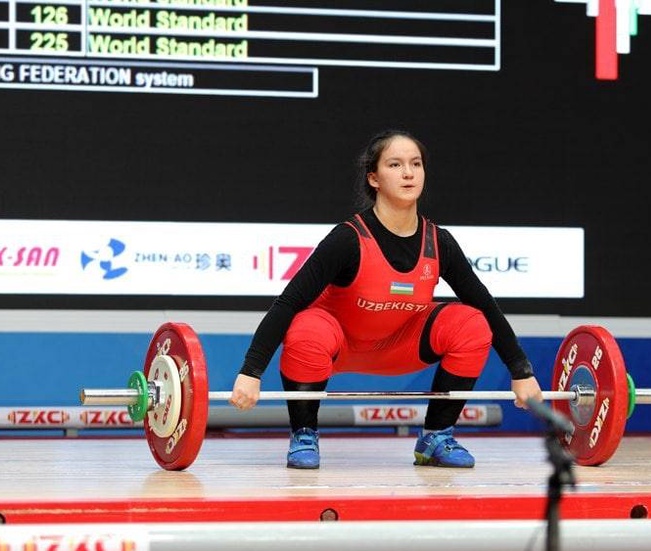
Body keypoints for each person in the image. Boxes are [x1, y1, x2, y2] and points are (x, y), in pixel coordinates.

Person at [229, 129, 543, 469]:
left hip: (401, 348)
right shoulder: (347, 239)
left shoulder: (439, 242)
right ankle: (304, 434)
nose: (408, 173)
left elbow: (485, 304)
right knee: (305, 326)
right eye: (395, 164)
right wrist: (251, 372)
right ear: (374, 178)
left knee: (472, 323)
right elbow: (287, 302)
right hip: (338, 346)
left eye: (416, 164)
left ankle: (436, 437)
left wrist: (521, 371)